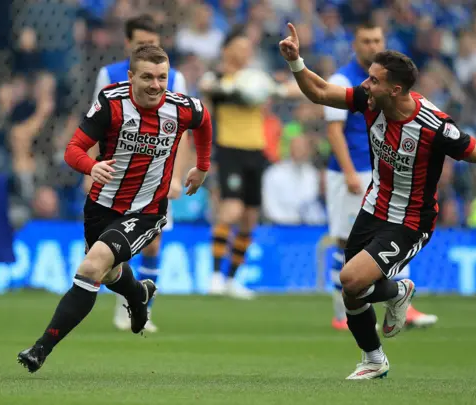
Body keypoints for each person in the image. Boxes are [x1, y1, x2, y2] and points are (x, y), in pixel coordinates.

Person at [279, 23, 476, 379]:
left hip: (410, 222)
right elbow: (318, 92)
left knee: (350, 279)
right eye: (367, 78)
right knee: (352, 292)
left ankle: (397, 292)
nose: (365, 85)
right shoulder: (369, 101)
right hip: (372, 207)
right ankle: (374, 358)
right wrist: (296, 61)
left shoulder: (434, 126)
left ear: (395, 89)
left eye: (374, 80)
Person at [17, 45, 212, 373]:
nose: (156, 85)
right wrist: (91, 167)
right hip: (101, 206)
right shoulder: (112, 103)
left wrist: (202, 167)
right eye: (147, 77)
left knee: (91, 267)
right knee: (108, 273)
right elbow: (73, 149)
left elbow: (204, 121)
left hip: (146, 211)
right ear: (131, 76)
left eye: (162, 77)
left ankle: (40, 349)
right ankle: (138, 295)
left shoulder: (181, 108)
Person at [323, 22, 437, 331]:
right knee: (347, 243)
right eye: (366, 40)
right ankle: (341, 313)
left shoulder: (389, 84)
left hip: (381, 173)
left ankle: (401, 303)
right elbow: (334, 131)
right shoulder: (343, 79)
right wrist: (348, 172)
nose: (372, 45)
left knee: (393, 237)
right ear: (355, 44)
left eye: (377, 39)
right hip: (351, 172)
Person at [92, 14, 190, 333]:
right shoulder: (109, 75)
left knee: (152, 243)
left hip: (157, 175)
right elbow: (96, 124)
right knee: (118, 243)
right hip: (118, 175)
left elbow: (184, 133)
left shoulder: (174, 78)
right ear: (128, 44)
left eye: (153, 44)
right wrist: (92, 168)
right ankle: (127, 300)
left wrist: (177, 176)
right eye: (140, 44)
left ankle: (140, 311)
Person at [200, 26, 300, 299]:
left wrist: (294, 87)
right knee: (230, 210)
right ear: (226, 49)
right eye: (240, 47)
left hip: (256, 151)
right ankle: (215, 276)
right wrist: (245, 93)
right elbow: (210, 93)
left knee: (249, 218)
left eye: (248, 48)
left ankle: (232, 279)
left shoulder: (256, 78)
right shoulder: (217, 78)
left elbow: (283, 91)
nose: (246, 52)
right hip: (230, 149)